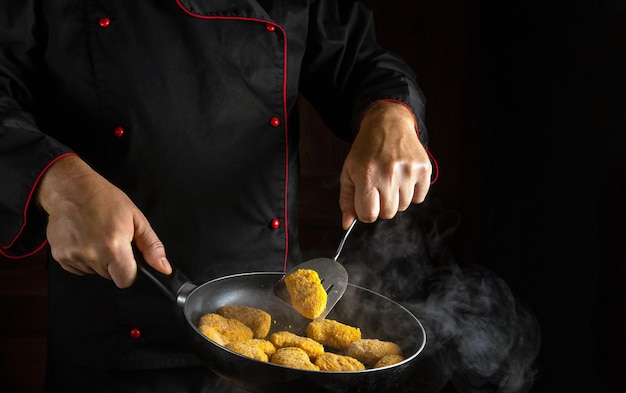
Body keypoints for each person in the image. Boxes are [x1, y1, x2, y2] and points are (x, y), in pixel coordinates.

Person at [0, 0, 433, 392]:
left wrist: (391, 113)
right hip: (112, 325)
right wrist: (55, 180)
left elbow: (358, 58)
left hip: (277, 330)